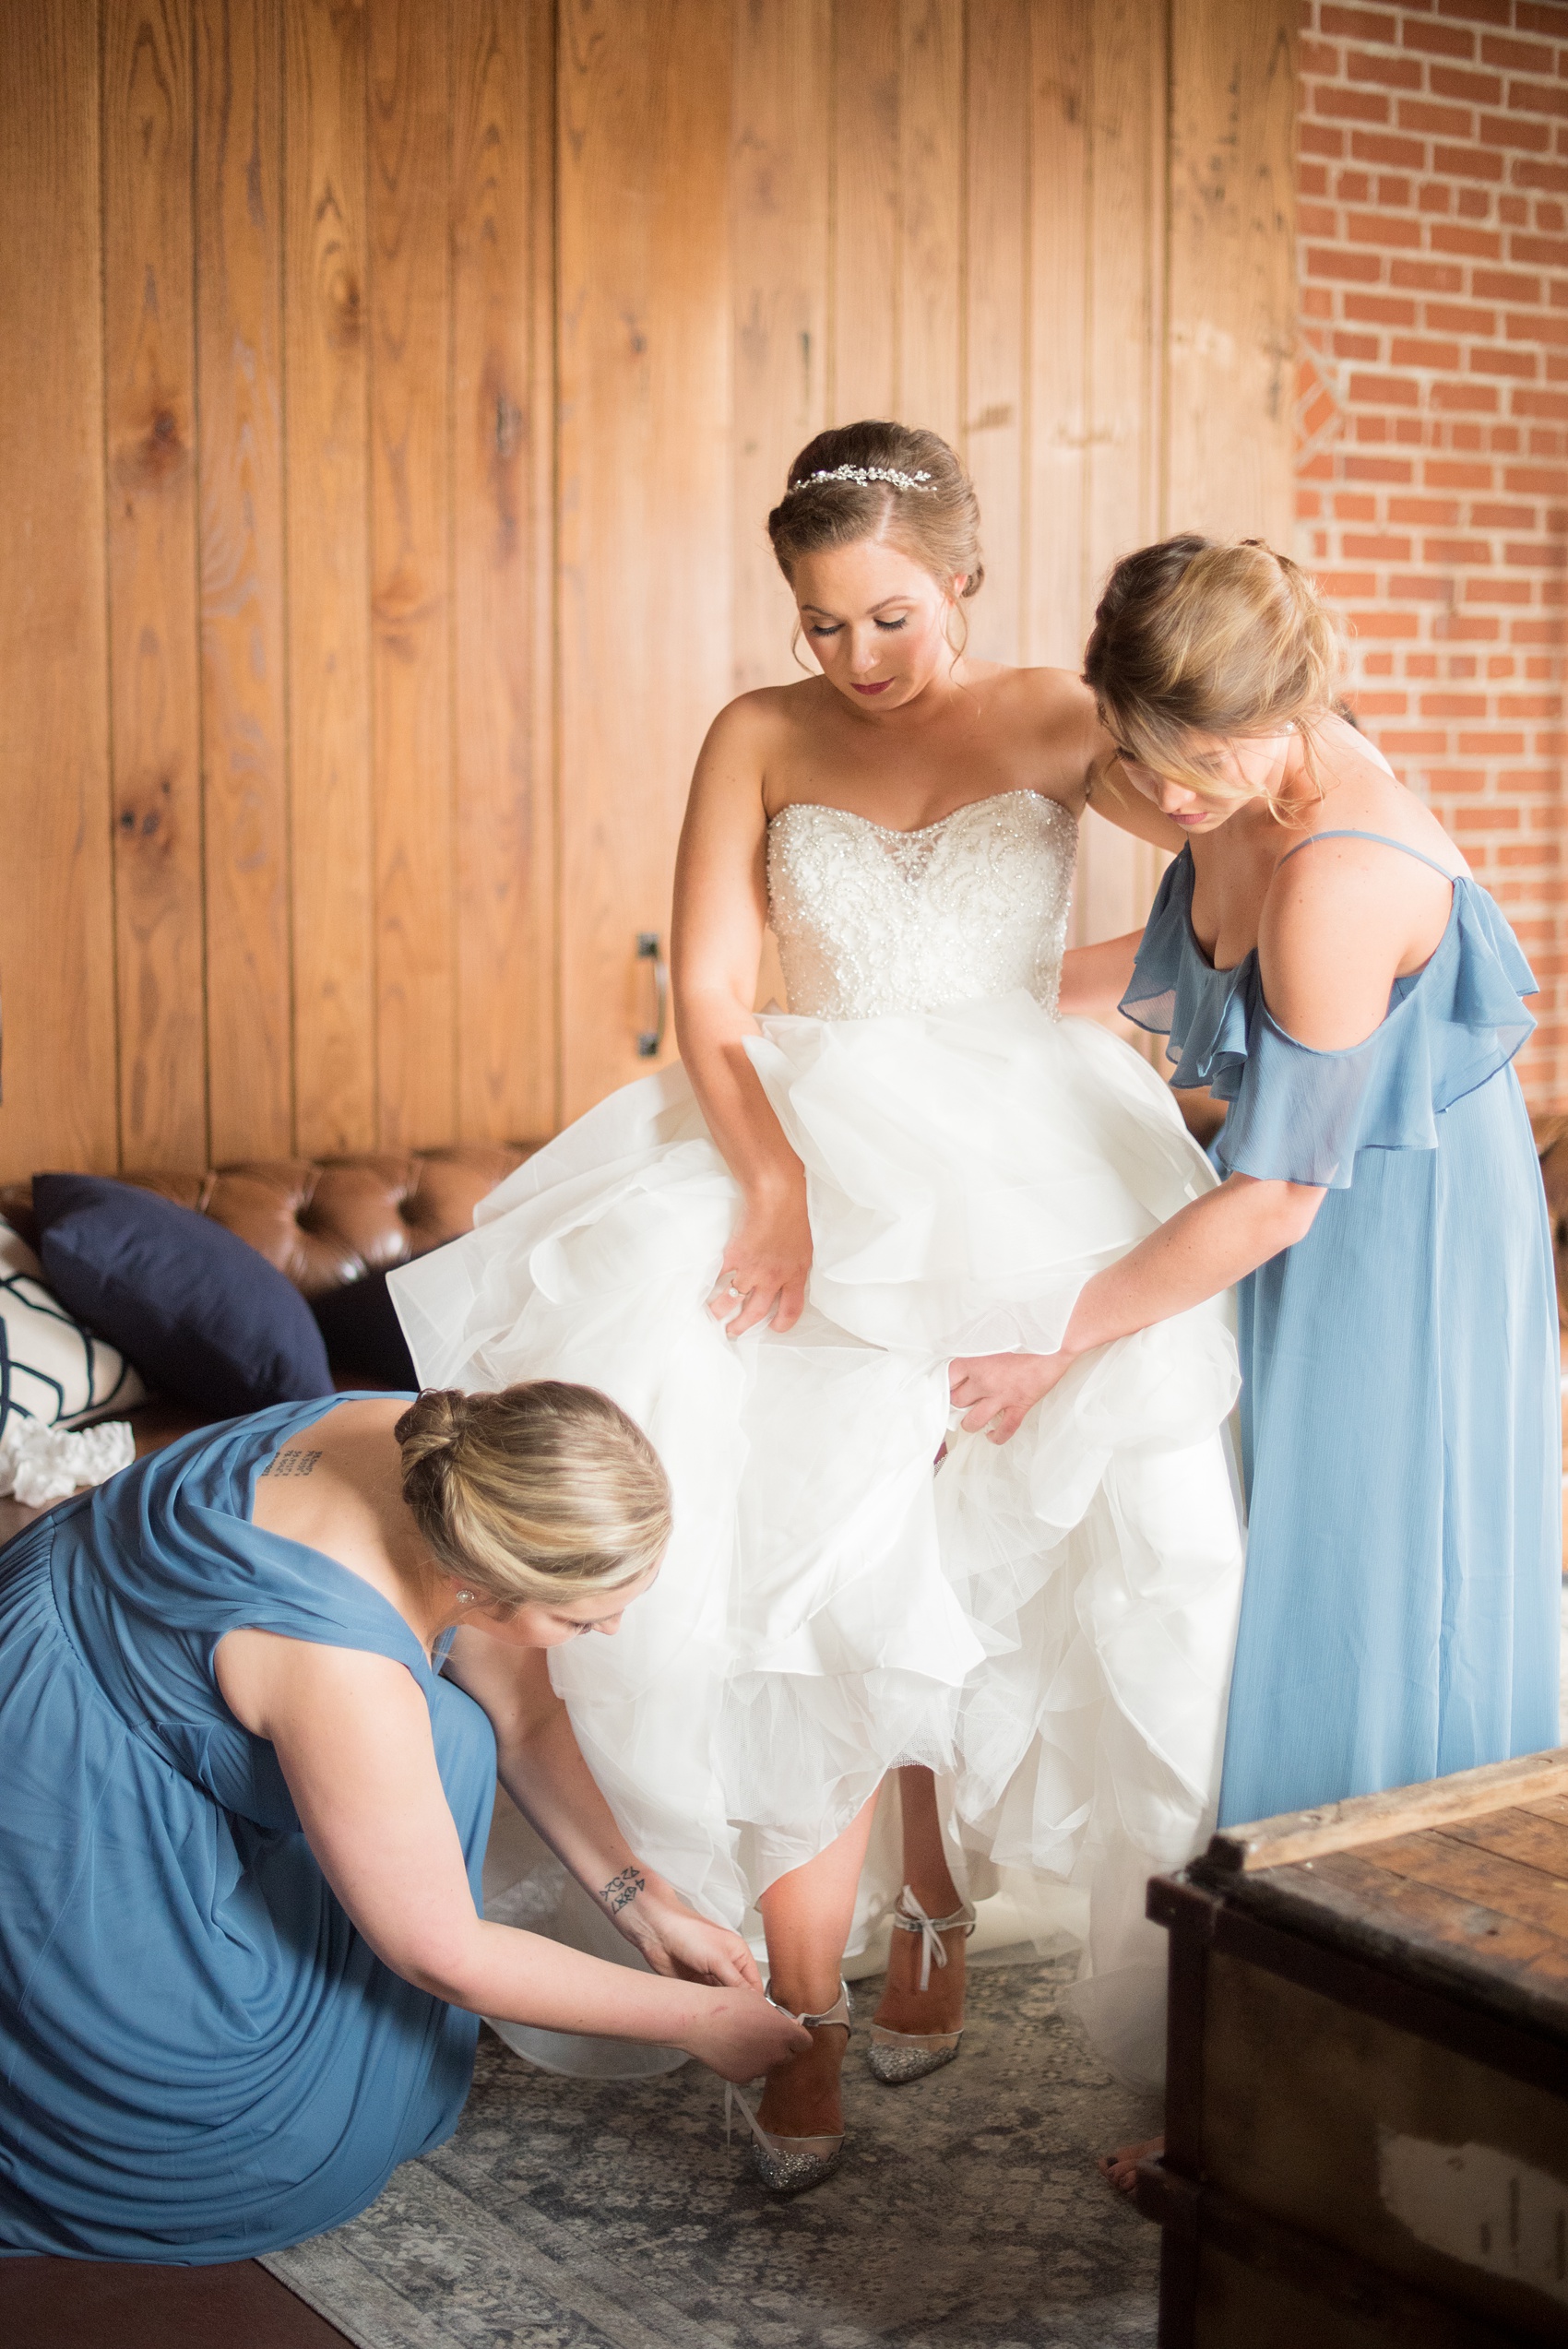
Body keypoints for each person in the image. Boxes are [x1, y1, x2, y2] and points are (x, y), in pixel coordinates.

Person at [390, 423, 1247, 2192]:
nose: (855, 658)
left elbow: (1226, 884)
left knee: (984, 1556)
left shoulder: (1065, 721)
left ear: (970, 583)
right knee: (799, 1572)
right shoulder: (757, 736)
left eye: (893, 618)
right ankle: (803, 2000)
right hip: (795, 1141)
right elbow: (709, 991)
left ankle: (934, 1900)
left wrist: (1039, 1007)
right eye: (820, 624)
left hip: (1027, 1168)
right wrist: (774, 1182)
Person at [945, 536, 1562, 2191]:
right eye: (1137, 756)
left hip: (1393, 1254)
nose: (1152, 794)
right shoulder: (1228, 796)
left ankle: (1327, 2085)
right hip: (1286, 1228)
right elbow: (1151, 984)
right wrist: (943, 1010)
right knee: (1241, 1587)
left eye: (1177, 764)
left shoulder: (1337, 873)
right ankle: (1284, 2042)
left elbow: (1283, 1191)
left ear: (1268, 721)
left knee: (1346, 1608)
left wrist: (1049, 1341)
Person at [0, 1382, 805, 2261]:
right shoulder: (339, 1661)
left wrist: (646, 1900)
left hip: (96, 1632)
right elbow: (440, 1952)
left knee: (457, 1734)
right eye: (582, 1616)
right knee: (271, 2157)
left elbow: (525, 1723)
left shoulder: (456, 1453)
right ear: (475, 1582)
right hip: (64, 1777)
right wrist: (690, 2021)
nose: (611, 1628)